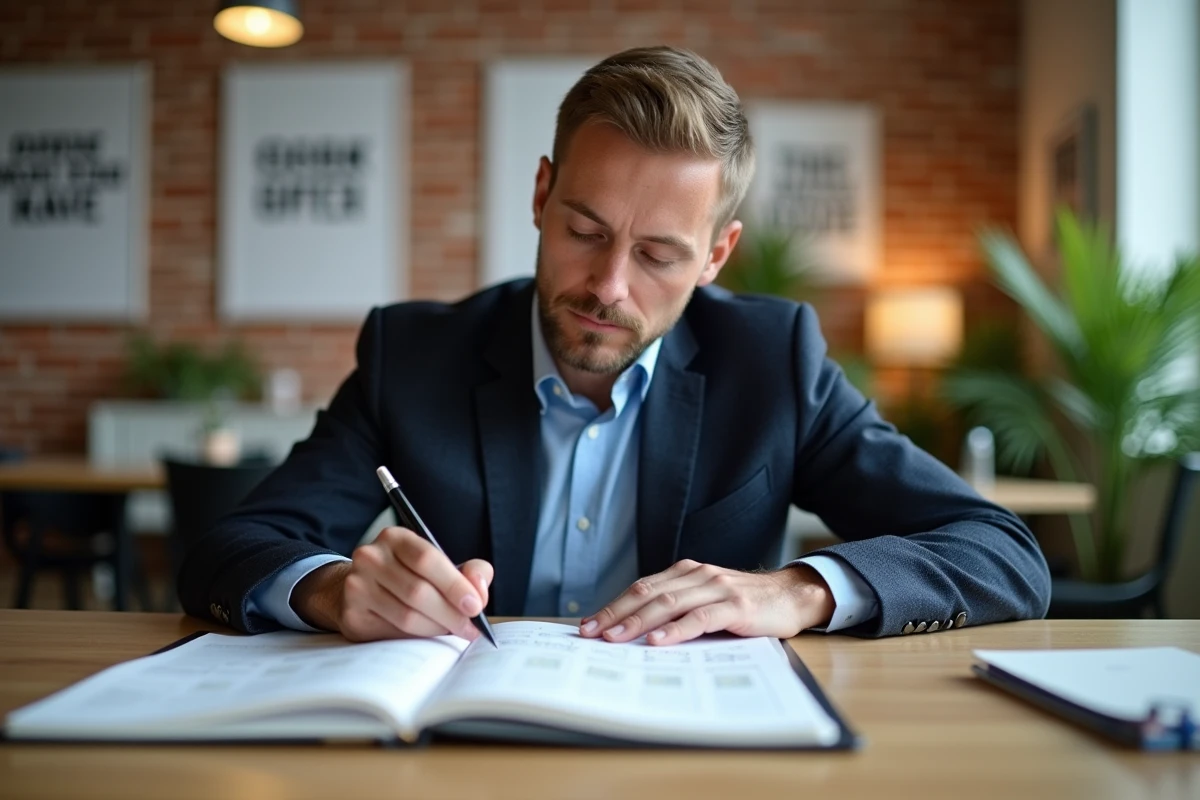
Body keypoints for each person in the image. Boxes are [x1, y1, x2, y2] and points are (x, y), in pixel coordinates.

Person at [178, 46, 1050, 644]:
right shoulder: (415, 356)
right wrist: (335, 592)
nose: (609, 286)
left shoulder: (772, 361)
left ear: (716, 255)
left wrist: (794, 590)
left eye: (660, 254)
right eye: (585, 230)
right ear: (541, 194)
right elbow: (232, 546)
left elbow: (1002, 555)